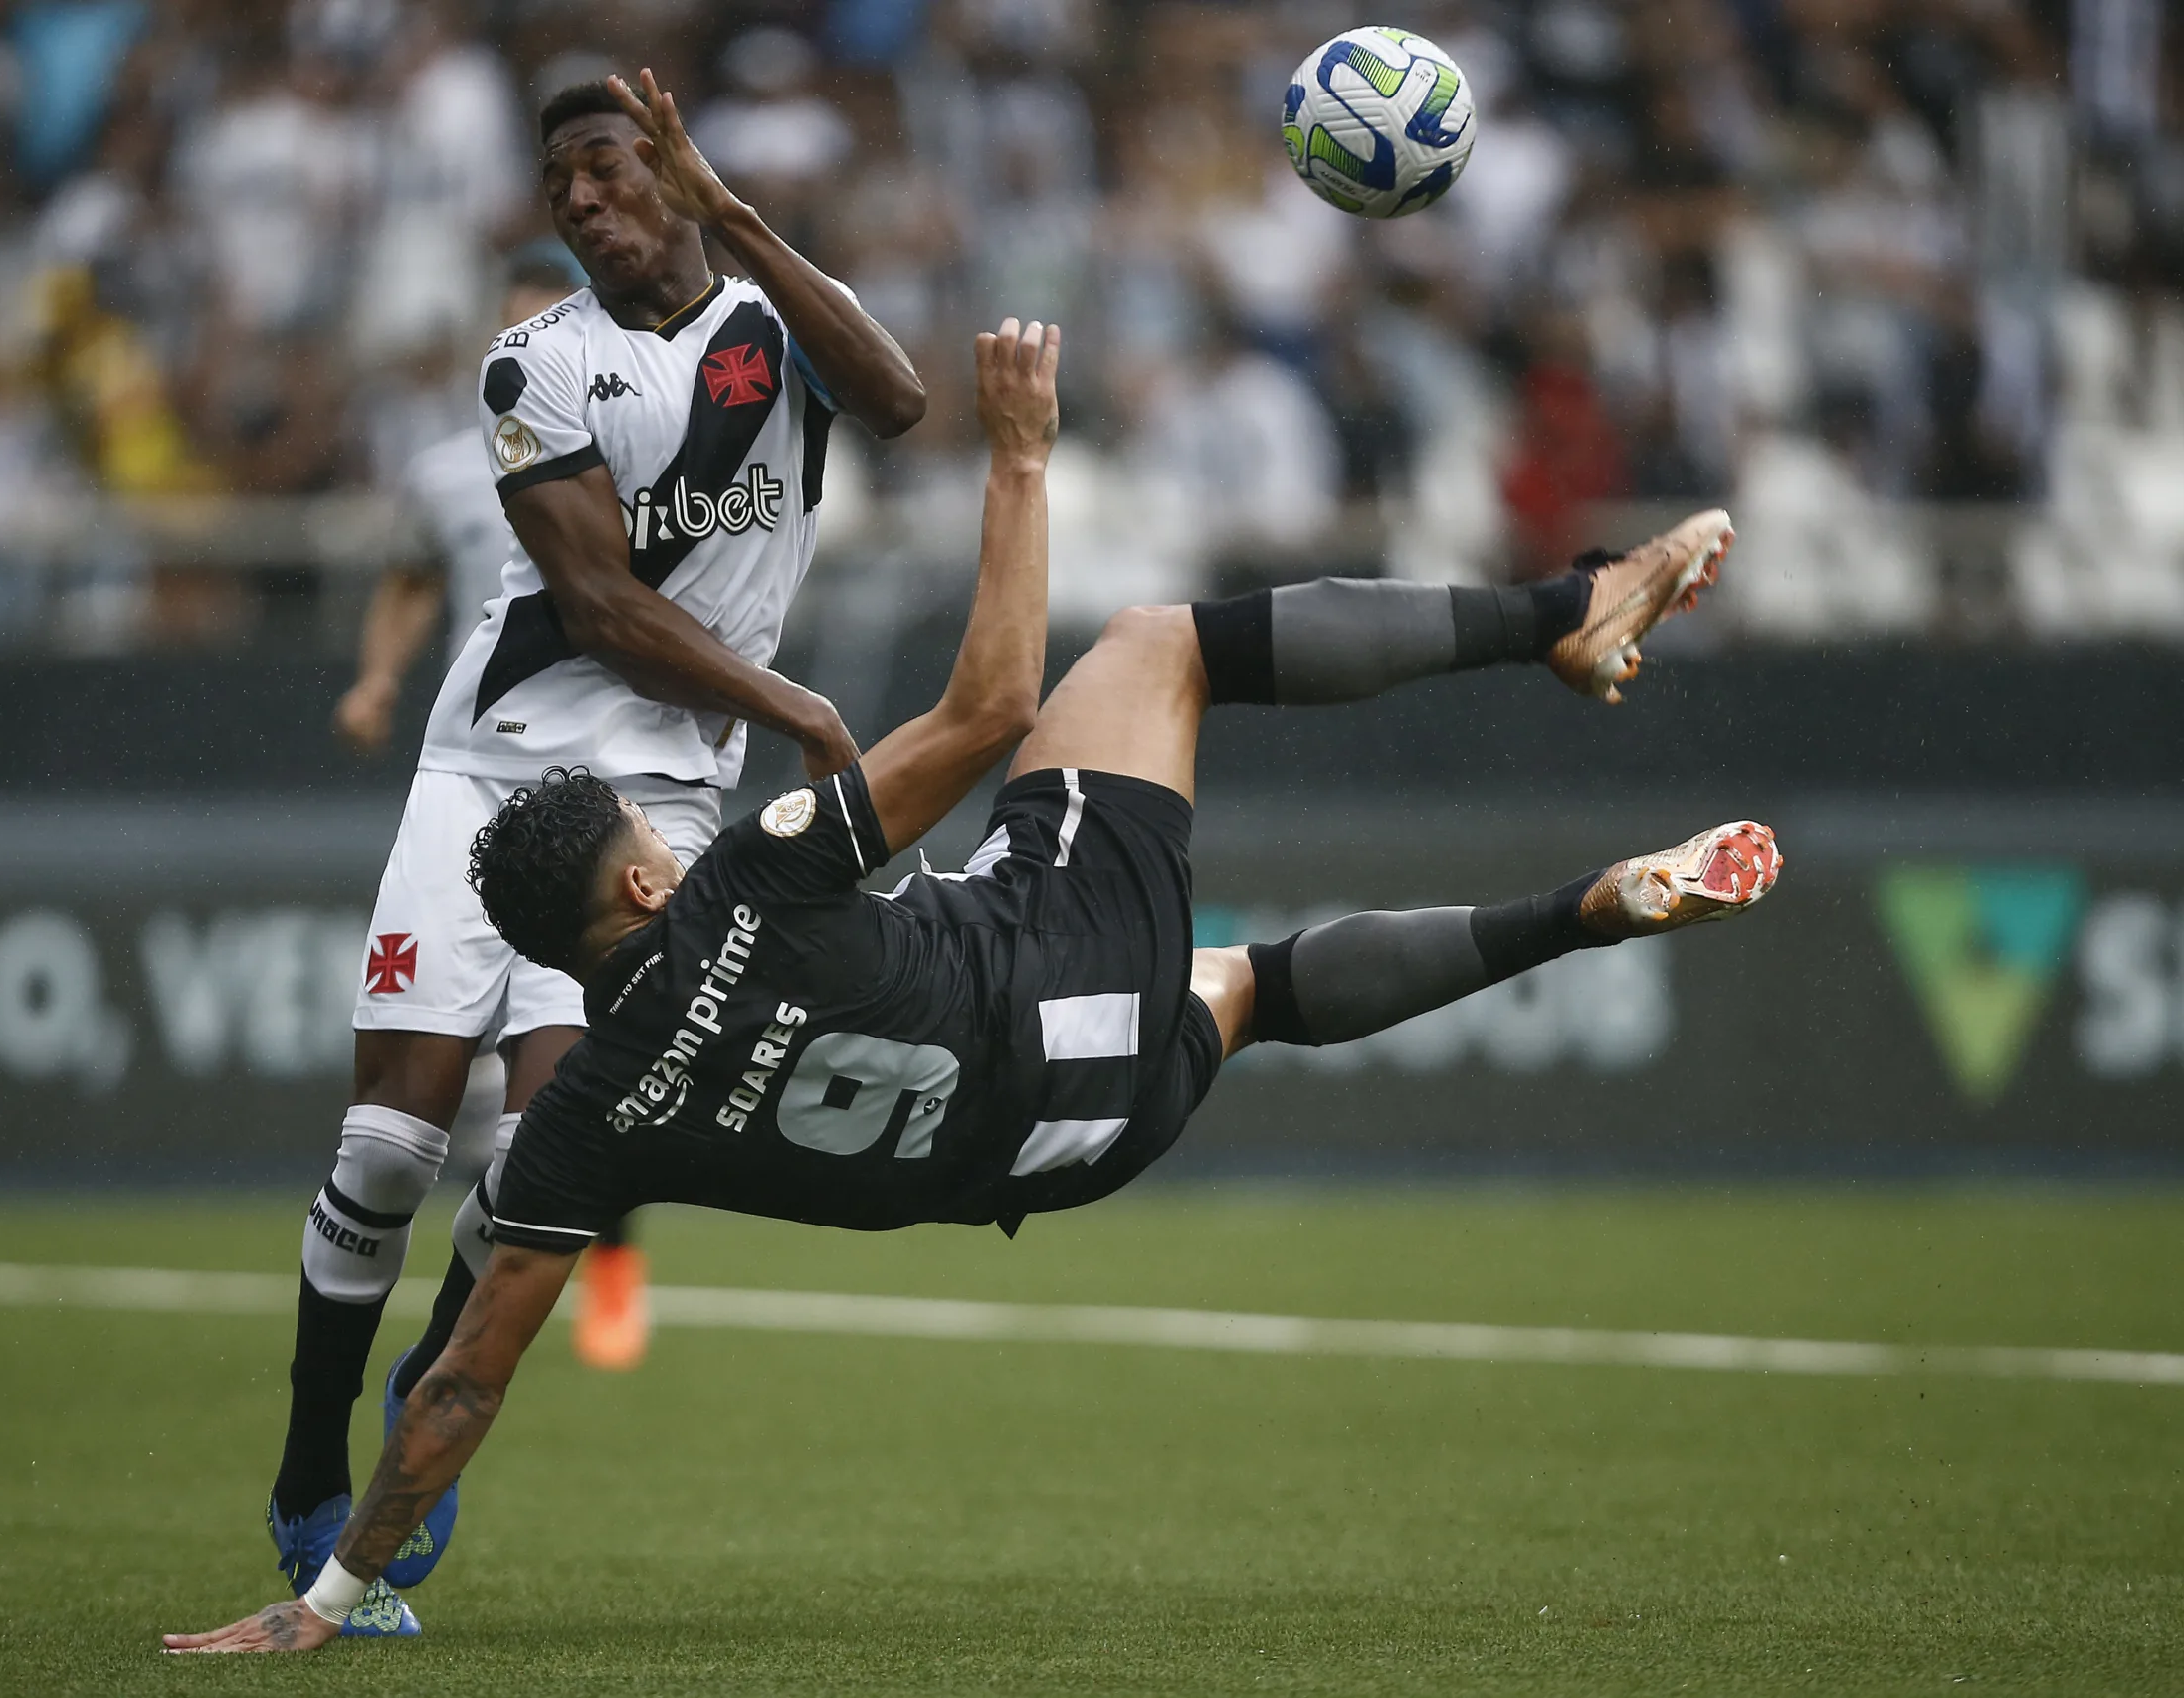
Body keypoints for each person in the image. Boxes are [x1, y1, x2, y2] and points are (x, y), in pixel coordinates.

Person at [171, 319, 1778, 1656]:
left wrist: (337, 1586)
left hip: (1068, 1143)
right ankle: (1563, 614)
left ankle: (1583, 908)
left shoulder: (582, 1126)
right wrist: (1020, 454)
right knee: (1160, 647)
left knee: (1257, 985)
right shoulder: (750, 873)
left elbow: (461, 1379)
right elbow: (1000, 693)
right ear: (647, 875)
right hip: (1061, 963)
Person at [265, 68, 926, 1636]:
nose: (581, 199)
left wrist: (743, 219)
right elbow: (617, 614)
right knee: (387, 1146)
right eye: (560, 180)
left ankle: (419, 1407)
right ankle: (304, 1456)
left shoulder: (775, 322)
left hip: (663, 806)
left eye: (610, 168)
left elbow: (899, 400)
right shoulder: (529, 362)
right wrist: (804, 710)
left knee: (549, 1144)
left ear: (672, 174)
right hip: (491, 772)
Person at [331, 239, 660, 1377]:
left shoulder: (633, 443)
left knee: (590, 1056)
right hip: (484, 763)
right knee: (447, 1090)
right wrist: (378, 677)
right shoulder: (440, 469)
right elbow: (413, 578)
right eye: (517, 327)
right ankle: (442, 1334)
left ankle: (613, 1267)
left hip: (609, 772)